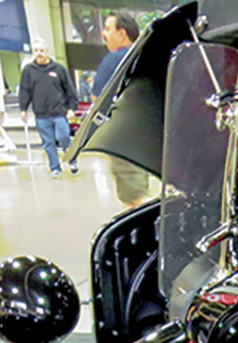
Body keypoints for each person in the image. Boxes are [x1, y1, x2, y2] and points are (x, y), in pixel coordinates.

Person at [92, 12, 151, 207]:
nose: (104, 33)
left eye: (108, 29)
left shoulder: (115, 59)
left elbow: (97, 98)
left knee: (134, 198)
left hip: (126, 137)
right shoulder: (148, 54)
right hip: (153, 135)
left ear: (122, 33)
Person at [19, 39, 77, 177]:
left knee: (63, 137)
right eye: (36, 51)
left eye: (42, 50)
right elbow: (25, 91)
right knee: (48, 143)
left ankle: (72, 161)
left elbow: (70, 90)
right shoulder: (28, 71)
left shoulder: (59, 69)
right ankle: (55, 168)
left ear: (47, 52)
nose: (39, 53)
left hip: (59, 112)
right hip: (41, 115)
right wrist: (23, 109)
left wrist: (71, 108)